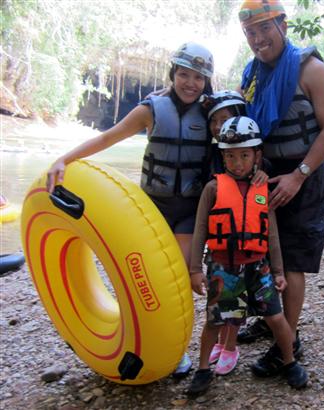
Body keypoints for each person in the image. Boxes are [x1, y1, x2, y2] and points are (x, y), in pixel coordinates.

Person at [45, 41, 216, 379]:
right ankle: (147, 341)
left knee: (178, 278)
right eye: (184, 74)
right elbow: (109, 138)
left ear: (206, 82)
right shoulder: (151, 109)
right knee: (148, 279)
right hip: (151, 207)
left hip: (189, 209)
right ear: (173, 74)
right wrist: (65, 159)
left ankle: (177, 350)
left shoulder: (209, 111)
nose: (190, 83)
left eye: (198, 78)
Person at [236, 0, 324, 377]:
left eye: (265, 28)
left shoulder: (312, 70)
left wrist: (299, 175)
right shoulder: (251, 76)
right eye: (251, 32)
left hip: (303, 173)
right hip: (265, 174)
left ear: (282, 24)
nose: (258, 38)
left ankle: (288, 342)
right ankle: (270, 319)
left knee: (292, 258)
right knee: (261, 252)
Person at [186, 116, 308, 396]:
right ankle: (203, 369)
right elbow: (201, 231)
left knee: (277, 319)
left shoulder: (262, 189)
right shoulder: (213, 189)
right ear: (223, 157)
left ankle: (289, 361)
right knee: (215, 322)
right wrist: (195, 270)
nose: (237, 162)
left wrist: (278, 271)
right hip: (223, 269)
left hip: (259, 270)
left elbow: (272, 234)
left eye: (244, 155)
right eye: (230, 156)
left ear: (257, 156)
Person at [200, 90, 268, 375]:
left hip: (248, 256)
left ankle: (230, 346)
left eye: (224, 119)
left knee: (236, 306)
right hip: (222, 254)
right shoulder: (216, 167)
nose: (217, 125)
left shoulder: (254, 171)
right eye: (213, 120)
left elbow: (265, 214)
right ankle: (218, 346)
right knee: (223, 304)